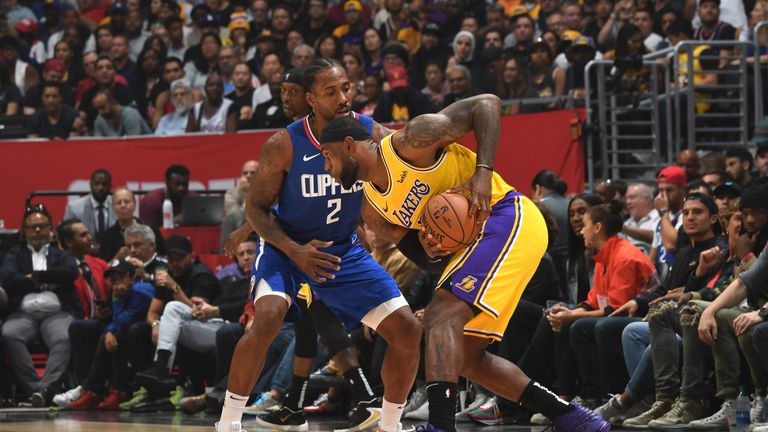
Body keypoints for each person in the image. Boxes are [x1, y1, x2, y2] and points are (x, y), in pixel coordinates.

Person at [318, 94, 609, 430]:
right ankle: (573, 418)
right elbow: (422, 256)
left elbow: (486, 103)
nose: (327, 168)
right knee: (466, 357)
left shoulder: (410, 142)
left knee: (441, 314)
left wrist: (483, 172)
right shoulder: (371, 208)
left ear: (350, 145)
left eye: (327, 157)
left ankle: (441, 426)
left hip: (506, 215)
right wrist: (430, 249)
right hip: (476, 246)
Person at [216, 58, 421, 432]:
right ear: (310, 98)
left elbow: (407, 153)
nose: (343, 98)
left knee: (407, 329)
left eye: (346, 88)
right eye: (331, 92)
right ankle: (228, 422)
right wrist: (294, 251)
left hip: (341, 251)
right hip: (285, 250)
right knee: (269, 315)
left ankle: (390, 425)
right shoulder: (284, 144)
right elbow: (256, 209)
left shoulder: (367, 130)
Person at [0, 205, 79, 407]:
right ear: (24, 230)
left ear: (50, 229)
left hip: (57, 314)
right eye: (32, 227)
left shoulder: (59, 254)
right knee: (10, 334)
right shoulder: (15, 254)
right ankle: (38, 389)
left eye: (41, 226)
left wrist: (30, 277)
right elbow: (6, 277)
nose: (37, 231)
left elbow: (70, 271)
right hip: (23, 315)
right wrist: (43, 282)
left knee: (64, 337)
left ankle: (45, 389)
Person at [63, 258, 154, 410]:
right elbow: (116, 319)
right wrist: (107, 319)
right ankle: (91, 390)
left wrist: (115, 305)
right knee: (79, 327)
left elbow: (124, 319)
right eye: (113, 279)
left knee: (112, 338)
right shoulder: (120, 289)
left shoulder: (140, 292)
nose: (117, 282)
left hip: (144, 335)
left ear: (132, 277)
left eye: (121, 277)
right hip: (126, 330)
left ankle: (106, 390)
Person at [98, 187, 165, 264]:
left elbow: (163, 255)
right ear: (113, 208)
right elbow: (102, 269)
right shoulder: (108, 236)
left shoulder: (150, 228)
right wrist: (117, 258)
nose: (123, 206)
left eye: (127, 202)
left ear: (135, 205)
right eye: (119, 203)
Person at [64, 169, 116, 249]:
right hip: (84, 254)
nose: (100, 188)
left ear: (110, 186)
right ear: (90, 184)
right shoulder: (74, 208)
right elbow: (66, 236)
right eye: (97, 183)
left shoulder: (118, 206)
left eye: (104, 184)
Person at [622, 183, 660, 255]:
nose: (628, 202)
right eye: (626, 198)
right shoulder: (628, 223)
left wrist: (623, 228)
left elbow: (655, 237)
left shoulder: (658, 218)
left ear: (647, 199)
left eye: (632, 197)